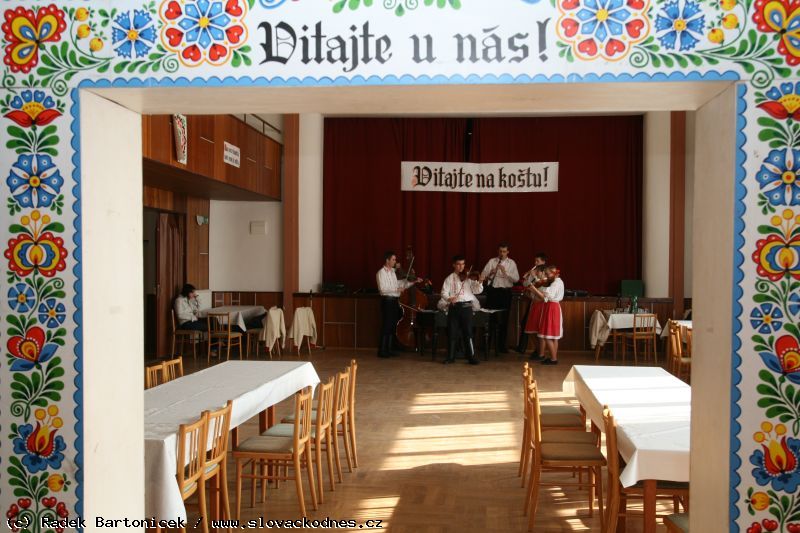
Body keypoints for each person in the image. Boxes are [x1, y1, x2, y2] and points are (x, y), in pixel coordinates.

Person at [439, 255, 485, 365]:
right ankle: (450, 357)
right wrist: (449, 298)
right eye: (458, 264)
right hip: (454, 308)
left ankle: (471, 357)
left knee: (468, 333)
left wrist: (480, 282)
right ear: (454, 265)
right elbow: (443, 292)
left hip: (467, 308)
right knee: (452, 332)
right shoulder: (449, 278)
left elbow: (477, 290)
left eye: (463, 264)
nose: (461, 267)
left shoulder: (469, 278)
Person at [376, 251, 420, 358]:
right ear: (387, 260)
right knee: (386, 325)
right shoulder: (381, 273)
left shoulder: (392, 272)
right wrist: (396, 289)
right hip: (387, 301)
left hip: (395, 301)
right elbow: (383, 289)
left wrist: (413, 282)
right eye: (393, 259)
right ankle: (382, 351)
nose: (395, 262)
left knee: (392, 326)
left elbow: (400, 284)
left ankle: (389, 349)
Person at [481, 243, 519, 353]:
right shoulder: (492, 261)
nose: (502, 253)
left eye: (504, 251)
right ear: (498, 251)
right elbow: (483, 276)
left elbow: (516, 279)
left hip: (505, 293)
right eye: (500, 251)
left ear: (508, 252)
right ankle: (487, 345)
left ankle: (501, 346)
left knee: (504, 320)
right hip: (492, 292)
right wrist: (490, 273)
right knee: (490, 319)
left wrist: (505, 272)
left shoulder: (511, 263)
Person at [526, 265, 564, 365]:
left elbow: (545, 297)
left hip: (552, 307)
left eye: (547, 274)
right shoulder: (557, 282)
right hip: (553, 307)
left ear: (554, 273)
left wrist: (534, 289)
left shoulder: (555, 284)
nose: (546, 276)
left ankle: (553, 359)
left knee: (548, 335)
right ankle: (553, 358)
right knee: (553, 336)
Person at [515, 252, 548, 357]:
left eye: (538, 261)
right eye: (535, 261)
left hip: (541, 303)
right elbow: (526, 284)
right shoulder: (534, 271)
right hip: (533, 301)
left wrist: (534, 277)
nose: (535, 263)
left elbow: (543, 284)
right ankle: (536, 350)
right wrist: (527, 277)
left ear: (543, 262)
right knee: (528, 326)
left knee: (538, 329)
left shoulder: (546, 272)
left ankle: (539, 352)